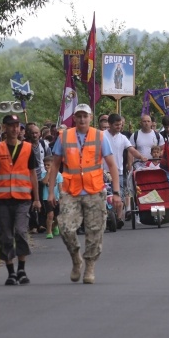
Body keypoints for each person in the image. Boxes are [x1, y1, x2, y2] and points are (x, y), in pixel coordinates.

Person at [47, 103, 122, 284]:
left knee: (95, 230)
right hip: (70, 190)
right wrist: (51, 192)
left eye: (85, 116)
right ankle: (76, 258)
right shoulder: (64, 136)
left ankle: (89, 266)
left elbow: (111, 165)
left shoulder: (100, 136)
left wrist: (117, 192)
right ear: (75, 118)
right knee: (66, 228)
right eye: (79, 116)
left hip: (94, 190)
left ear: (90, 118)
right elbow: (55, 164)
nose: (82, 119)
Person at [0, 114, 41, 286]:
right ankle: (10, 272)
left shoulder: (27, 148)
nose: (14, 129)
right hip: (2, 199)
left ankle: (22, 269)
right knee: (6, 235)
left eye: (17, 126)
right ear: (4, 128)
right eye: (11, 126)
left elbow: (32, 174)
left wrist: (37, 199)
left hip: (23, 199)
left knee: (20, 232)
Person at [103, 113, 147, 228]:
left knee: (120, 196)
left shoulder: (122, 138)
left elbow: (131, 149)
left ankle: (118, 218)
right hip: (103, 172)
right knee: (106, 196)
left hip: (119, 173)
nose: (119, 127)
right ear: (110, 124)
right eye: (117, 125)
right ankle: (107, 216)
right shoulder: (102, 136)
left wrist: (141, 157)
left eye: (120, 125)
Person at [26, 122, 52, 233]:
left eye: (36, 133)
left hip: (42, 175)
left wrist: (49, 173)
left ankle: (42, 223)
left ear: (40, 134)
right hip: (29, 176)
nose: (34, 135)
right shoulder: (25, 145)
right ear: (29, 134)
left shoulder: (44, 144)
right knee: (30, 200)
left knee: (42, 199)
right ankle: (33, 225)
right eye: (32, 133)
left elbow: (50, 159)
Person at [41, 157, 62, 239]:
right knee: (50, 215)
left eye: (48, 165)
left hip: (56, 197)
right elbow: (44, 182)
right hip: (47, 197)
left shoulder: (59, 175)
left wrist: (61, 197)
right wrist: (48, 173)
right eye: (45, 165)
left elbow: (60, 187)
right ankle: (49, 232)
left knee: (58, 216)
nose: (46, 167)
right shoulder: (43, 174)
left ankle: (54, 225)